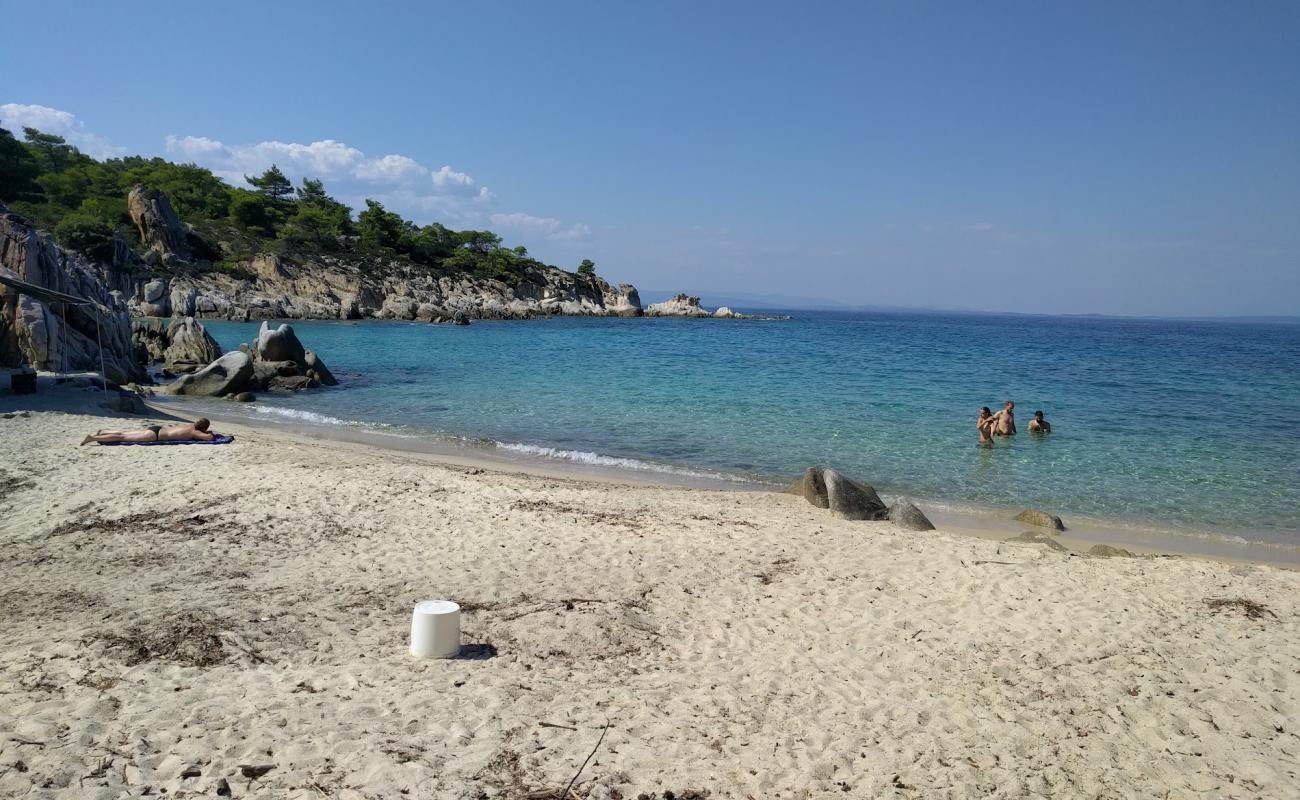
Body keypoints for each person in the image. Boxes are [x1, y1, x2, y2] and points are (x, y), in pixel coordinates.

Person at [81, 418, 214, 446]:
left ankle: (103, 431)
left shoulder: (190, 425)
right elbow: (208, 439)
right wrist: (210, 434)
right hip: (154, 436)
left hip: (156, 429)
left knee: (125, 433)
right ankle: (92, 438)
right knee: (122, 437)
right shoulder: (195, 431)